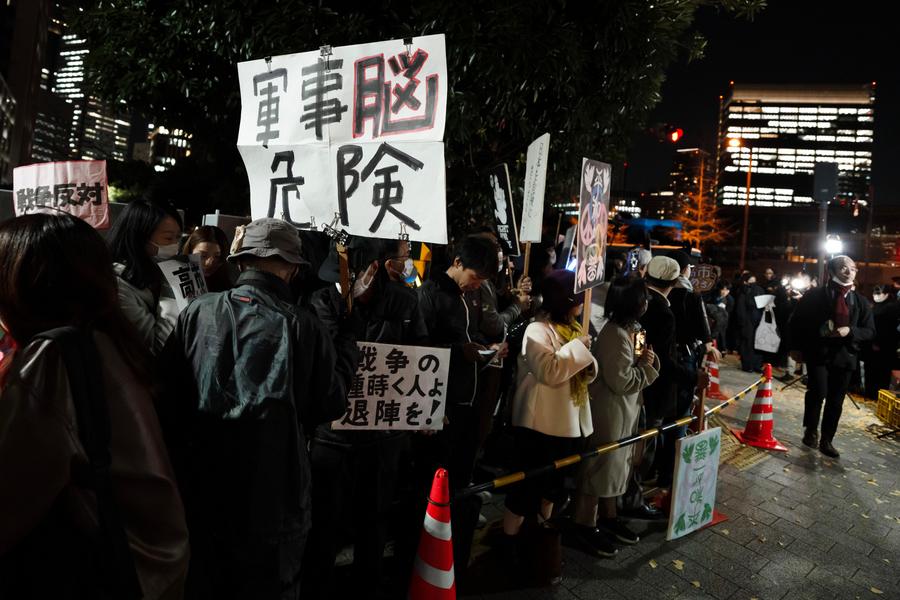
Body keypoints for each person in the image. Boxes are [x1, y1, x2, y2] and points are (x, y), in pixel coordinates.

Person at [162, 218, 358, 599]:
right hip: (272, 499)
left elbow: (168, 396)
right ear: (291, 268)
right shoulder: (304, 326)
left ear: (240, 262)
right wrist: (348, 348)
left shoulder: (197, 311)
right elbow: (330, 403)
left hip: (200, 490)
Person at [0, 213, 189, 599]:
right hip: (146, 568)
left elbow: (10, 493)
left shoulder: (53, 358)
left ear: (22, 281)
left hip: (100, 570)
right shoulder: (103, 339)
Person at [302, 237, 425, 599]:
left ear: (371, 269)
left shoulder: (405, 301)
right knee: (324, 524)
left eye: (346, 276)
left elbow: (421, 355)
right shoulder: (322, 300)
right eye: (336, 277)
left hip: (383, 436)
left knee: (374, 522)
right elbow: (322, 357)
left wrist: (425, 405)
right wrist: (347, 314)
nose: (340, 284)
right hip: (332, 437)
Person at [415, 234, 501, 575]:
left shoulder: (464, 295)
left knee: (458, 476)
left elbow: (464, 337)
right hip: (441, 405)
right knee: (433, 479)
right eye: (475, 278)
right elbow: (420, 351)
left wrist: (481, 349)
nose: (477, 285)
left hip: (465, 399)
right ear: (457, 263)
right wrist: (460, 351)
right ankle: (425, 550)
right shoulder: (430, 294)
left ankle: (449, 546)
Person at [501, 269, 598, 556]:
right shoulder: (537, 330)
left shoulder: (574, 329)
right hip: (539, 424)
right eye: (577, 299)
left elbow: (584, 369)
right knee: (525, 489)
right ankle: (509, 541)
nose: (581, 305)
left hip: (567, 422)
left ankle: (540, 533)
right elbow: (549, 371)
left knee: (554, 488)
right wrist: (579, 349)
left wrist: (587, 360)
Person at [574, 276, 659, 554]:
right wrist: (646, 370)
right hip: (610, 412)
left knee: (615, 467)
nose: (646, 302)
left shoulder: (631, 330)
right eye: (643, 298)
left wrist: (645, 364)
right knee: (601, 467)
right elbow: (621, 381)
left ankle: (608, 517)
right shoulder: (615, 335)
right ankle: (585, 524)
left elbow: (637, 363)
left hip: (624, 410)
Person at [789, 255, 874, 458]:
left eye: (853, 268)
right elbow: (797, 322)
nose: (849, 271)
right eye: (843, 267)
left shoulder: (860, 301)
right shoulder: (815, 295)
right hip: (818, 352)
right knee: (817, 392)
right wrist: (794, 347)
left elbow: (870, 331)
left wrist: (850, 331)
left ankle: (827, 439)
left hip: (845, 356)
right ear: (832, 270)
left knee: (836, 400)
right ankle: (811, 430)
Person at [107, 199, 183, 355]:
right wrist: (172, 290)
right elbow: (156, 346)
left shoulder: (158, 270)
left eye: (178, 238)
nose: (176, 246)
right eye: (168, 238)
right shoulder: (118, 285)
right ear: (139, 238)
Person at [863, 284, 900, 399]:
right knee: (871, 372)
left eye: (879, 293)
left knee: (881, 374)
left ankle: (877, 396)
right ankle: (870, 394)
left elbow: (887, 329)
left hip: (884, 347)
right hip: (872, 347)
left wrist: (878, 342)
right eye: (874, 293)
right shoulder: (875, 306)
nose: (876, 296)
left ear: (887, 294)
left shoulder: (891, 308)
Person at [180, 225, 234, 292]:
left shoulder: (228, 290)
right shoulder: (175, 281)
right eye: (203, 255)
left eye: (217, 256)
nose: (209, 263)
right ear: (190, 251)